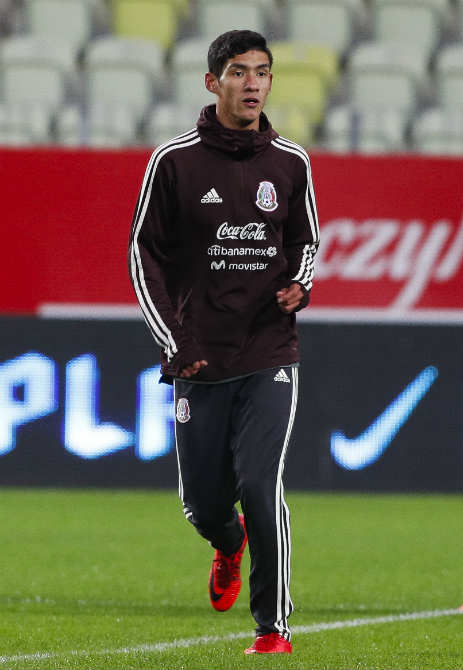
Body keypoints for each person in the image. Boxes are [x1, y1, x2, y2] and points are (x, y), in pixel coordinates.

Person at [128, 30, 319, 654]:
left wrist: (299, 284)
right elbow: (143, 253)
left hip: (269, 350)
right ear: (213, 83)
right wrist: (172, 340)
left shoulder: (291, 162)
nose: (254, 83)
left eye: (263, 72)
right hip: (200, 355)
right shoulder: (174, 161)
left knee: (263, 484)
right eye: (239, 72)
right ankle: (227, 542)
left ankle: (273, 630)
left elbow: (305, 243)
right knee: (204, 506)